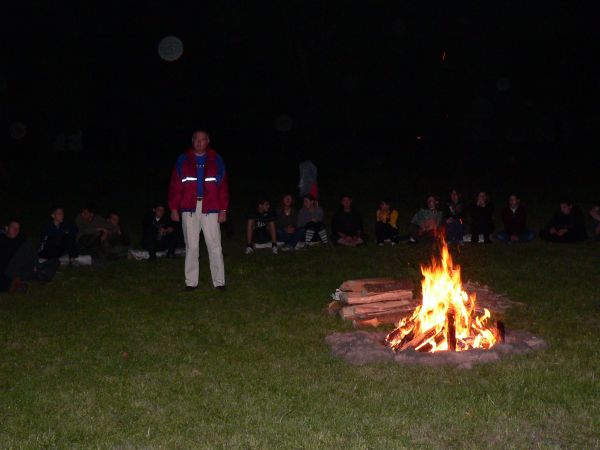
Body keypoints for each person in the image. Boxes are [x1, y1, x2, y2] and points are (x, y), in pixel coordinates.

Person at [168, 130, 229, 291]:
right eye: (196, 139)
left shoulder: (216, 159)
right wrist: (174, 208)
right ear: (192, 141)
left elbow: (223, 187)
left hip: (211, 208)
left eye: (202, 139)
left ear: (208, 141)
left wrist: (223, 209)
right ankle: (190, 282)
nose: (199, 142)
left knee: (215, 245)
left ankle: (219, 282)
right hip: (189, 208)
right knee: (191, 246)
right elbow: (175, 186)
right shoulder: (183, 159)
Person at [1, 220, 58, 293]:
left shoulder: (21, 238)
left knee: (55, 261)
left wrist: (35, 265)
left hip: (24, 269)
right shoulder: (2, 239)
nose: (16, 230)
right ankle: (15, 284)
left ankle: (41, 274)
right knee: (25, 246)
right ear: (6, 228)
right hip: (9, 270)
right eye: (13, 227)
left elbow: (31, 254)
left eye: (18, 228)